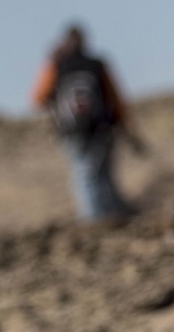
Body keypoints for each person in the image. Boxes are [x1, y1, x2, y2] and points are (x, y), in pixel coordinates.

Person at [31, 24, 147, 224]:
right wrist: (127, 130)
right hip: (101, 129)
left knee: (84, 175)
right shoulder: (96, 64)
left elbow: (38, 98)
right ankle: (110, 215)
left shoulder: (56, 65)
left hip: (72, 131)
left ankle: (96, 218)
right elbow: (115, 99)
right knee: (101, 174)